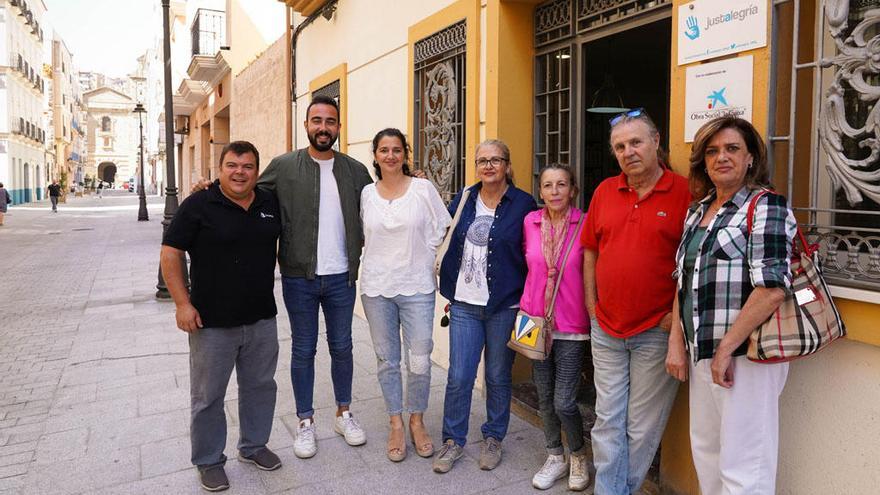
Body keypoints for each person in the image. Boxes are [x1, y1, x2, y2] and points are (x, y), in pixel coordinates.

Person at [665, 116, 796, 495]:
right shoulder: (698, 210)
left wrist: (726, 348)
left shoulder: (766, 207)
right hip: (701, 351)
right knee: (706, 451)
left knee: (745, 463)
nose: (721, 157)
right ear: (703, 162)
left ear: (751, 157)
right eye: (712, 151)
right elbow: (682, 281)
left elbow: (772, 288)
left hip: (745, 356)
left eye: (732, 148)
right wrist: (677, 342)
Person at [160, 141, 283, 492]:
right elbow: (170, 253)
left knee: (260, 387)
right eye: (232, 165)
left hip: (261, 317)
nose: (239, 172)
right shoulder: (199, 204)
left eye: (247, 166)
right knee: (208, 395)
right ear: (220, 169)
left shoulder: (269, 202)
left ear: (257, 172)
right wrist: (182, 304)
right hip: (210, 323)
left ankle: (254, 445)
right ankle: (209, 460)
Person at [581, 109, 691, 495]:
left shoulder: (685, 193)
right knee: (607, 420)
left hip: (655, 331)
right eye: (620, 147)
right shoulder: (604, 192)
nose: (628, 152)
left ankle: (614, 491)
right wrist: (592, 306)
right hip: (607, 326)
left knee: (642, 426)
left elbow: (689, 264)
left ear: (656, 141)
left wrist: (674, 320)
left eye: (636, 142)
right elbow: (590, 251)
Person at [256, 95, 373, 458]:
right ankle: (305, 421)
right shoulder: (284, 166)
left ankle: (343, 412)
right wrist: (209, 190)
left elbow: (381, 201)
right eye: (317, 120)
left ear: (339, 127)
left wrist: (412, 180)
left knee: (342, 347)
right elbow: (248, 195)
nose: (323, 127)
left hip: (341, 277)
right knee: (304, 349)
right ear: (306, 125)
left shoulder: (355, 170)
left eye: (330, 121)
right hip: (298, 277)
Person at [433, 139, 537, 474]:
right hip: (463, 303)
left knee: (496, 375)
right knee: (460, 376)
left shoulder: (523, 204)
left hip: (505, 304)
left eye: (495, 160)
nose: (488, 166)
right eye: (482, 161)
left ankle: (494, 437)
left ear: (507, 165)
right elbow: (441, 233)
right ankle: (453, 441)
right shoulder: (464, 198)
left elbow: (533, 252)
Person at [359, 128, 451, 462]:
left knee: (420, 358)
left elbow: (443, 225)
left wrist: (424, 253)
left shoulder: (423, 189)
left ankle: (417, 419)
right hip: (376, 286)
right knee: (387, 360)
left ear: (405, 154)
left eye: (397, 150)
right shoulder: (367, 193)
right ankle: (396, 421)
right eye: (384, 150)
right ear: (375, 155)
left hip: (417, 285)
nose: (391, 156)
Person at [520, 163, 590, 491]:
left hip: (573, 322)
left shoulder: (585, 224)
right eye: (548, 185)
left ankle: (577, 454)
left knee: (564, 400)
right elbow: (526, 266)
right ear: (540, 191)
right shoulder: (530, 223)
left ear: (573, 190)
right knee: (544, 396)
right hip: (533, 319)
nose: (554, 192)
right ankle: (554, 456)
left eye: (562, 185)